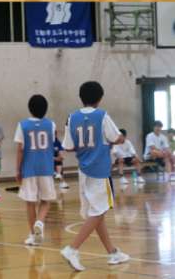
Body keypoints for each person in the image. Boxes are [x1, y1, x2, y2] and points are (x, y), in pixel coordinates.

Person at [61, 81, 129, 271]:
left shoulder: (72, 117)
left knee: (97, 212)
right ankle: (72, 249)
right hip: (100, 171)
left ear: (81, 98)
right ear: (100, 98)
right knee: (99, 212)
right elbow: (116, 137)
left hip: (83, 171)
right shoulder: (102, 115)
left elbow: (68, 146)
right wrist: (119, 139)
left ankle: (112, 252)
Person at [14, 95, 56, 246]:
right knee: (46, 200)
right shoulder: (51, 125)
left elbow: (20, 150)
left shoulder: (22, 125)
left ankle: (33, 235)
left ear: (30, 108)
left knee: (30, 202)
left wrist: (18, 170)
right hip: (46, 168)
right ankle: (40, 221)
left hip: (29, 169)